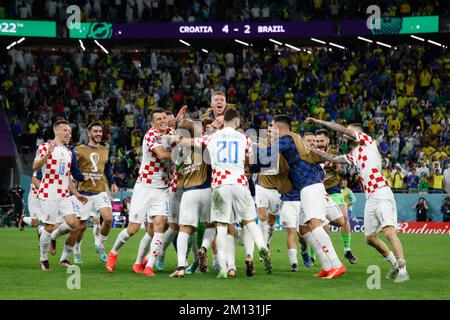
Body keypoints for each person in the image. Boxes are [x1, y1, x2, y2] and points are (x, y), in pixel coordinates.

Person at [305, 118, 409, 283]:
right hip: (370, 197)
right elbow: (332, 159)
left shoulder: (368, 142)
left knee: (388, 231)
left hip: (381, 191)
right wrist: (311, 149)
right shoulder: (353, 154)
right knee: (370, 238)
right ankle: (394, 263)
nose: (346, 134)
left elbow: (342, 130)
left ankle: (403, 271)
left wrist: (319, 122)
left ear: (358, 133)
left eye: (350, 131)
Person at [175, 109, 272, 279]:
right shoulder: (244, 138)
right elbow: (250, 163)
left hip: (220, 185)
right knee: (249, 220)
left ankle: (223, 268)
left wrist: (179, 138)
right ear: (236, 122)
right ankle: (262, 246)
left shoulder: (212, 137)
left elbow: (188, 142)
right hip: (240, 183)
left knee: (220, 227)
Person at [259, 115, 346, 279]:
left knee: (314, 224)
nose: (270, 131)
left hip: (310, 185)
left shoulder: (287, 139)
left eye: (272, 127)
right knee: (304, 228)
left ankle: (336, 264)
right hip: (307, 186)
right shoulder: (296, 140)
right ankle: (326, 266)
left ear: (279, 127)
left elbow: (266, 155)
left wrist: (249, 151)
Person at [106, 108, 174, 276]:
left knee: (159, 225)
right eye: (158, 119)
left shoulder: (170, 131)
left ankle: (147, 266)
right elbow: (161, 154)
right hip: (145, 187)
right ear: (152, 123)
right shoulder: (151, 135)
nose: (162, 121)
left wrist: (177, 120)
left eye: (164, 118)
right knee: (133, 229)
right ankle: (114, 252)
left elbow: (173, 126)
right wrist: (180, 155)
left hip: (163, 188)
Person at [32, 120, 89, 271]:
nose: (68, 133)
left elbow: (67, 176)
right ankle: (43, 259)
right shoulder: (45, 147)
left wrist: (76, 194)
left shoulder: (69, 152)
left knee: (74, 224)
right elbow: (35, 166)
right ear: (56, 131)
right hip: (49, 192)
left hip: (64, 194)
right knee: (49, 227)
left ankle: (57, 246)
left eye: (70, 131)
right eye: (65, 130)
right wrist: (48, 155)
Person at [66, 121, 118, 264]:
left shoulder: (105, 149)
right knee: (81, 227)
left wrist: (112, 182)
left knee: (108, 219)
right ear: (89, 133)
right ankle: (77, 249)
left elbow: (107, 170)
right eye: (95, 131)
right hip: (84, 192)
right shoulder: (78, 150)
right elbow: (73, 170)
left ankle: (100, 245)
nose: (98, 134)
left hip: (100, 191)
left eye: (100, 132)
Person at [170, 119, 213, 278]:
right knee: (211, 225)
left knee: (184, 230)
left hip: (188, 192)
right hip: (206, 189)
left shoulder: (177, 151)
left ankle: (181, 266)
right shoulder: (201, 144)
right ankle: (204, 248)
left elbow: (178, 171)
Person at [315, 129, 358, 264]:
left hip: (333, 189)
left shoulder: (334, 152)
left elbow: (342, 170)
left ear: (327, 140)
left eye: (321, 141)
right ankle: (316, 254)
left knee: (344, 217)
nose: (319, 143)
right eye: (317, 141)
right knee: (319, 223)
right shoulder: (311, 152)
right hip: (317, 191)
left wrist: (333, 165)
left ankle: (347, 250)